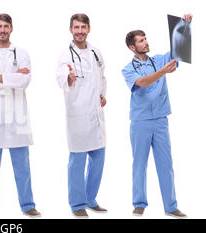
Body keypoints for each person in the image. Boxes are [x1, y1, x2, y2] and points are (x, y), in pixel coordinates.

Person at [121, 14, 192, 218]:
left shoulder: (159, 59)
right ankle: (139, 203)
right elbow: (142, 83)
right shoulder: (128, 69)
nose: (146, 42)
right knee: (139, 164)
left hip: (161, 120)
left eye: (146, 39)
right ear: (132, 47)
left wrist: (184, 27)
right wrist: (162, 72)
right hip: (140, 122)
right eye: (141, 41)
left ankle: (171, 206)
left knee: (165, 164)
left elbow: (179, 51)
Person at [0, 13, 40, 218]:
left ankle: (28, 205)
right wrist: (12, 77)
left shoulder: (21, 53)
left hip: (17, 115)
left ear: (11, 28)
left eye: (6, 26)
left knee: (22, 164)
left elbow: (24, 81)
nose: (2, 30)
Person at [56, 13, 107, 218]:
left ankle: (90, 198)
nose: (79, 31)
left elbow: (102, 75)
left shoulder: (96, 52)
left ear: (88, 29)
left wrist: (103, 94)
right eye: (76, 28)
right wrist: (68, 77)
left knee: (99, 157)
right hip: (77, 112)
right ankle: (77, 204)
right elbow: (60, 76)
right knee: (77, 160)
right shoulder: (65, 54)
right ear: (71, 30)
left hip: (95, 112)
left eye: (83, 27)